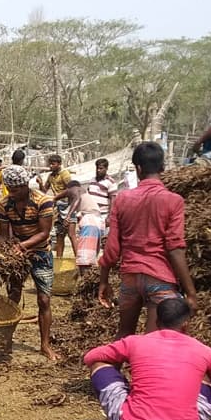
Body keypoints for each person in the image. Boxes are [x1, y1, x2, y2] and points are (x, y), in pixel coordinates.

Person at [84, 297, 211, 420]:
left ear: (157, 322)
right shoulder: (205, 352)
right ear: (186, 324)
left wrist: (128, 377)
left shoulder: (135, 342)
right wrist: (198, 397)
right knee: (206, 380)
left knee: (99, 365)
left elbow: (90, 357)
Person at [98, 142, 198, 339]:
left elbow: (112, 248)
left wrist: (103, 281)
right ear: (162, 167)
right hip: (159, 277)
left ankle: (109, 370)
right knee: (153, 343)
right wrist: (190, 292)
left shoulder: (122, 199)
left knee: (124, 334)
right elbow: (174, 248)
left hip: (130, 277)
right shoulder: (173, 201)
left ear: (138, 168)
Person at [0, 165, 59, 360]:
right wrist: (0, 253)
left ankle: (44, 345)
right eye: (9, 190)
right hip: (18, 255)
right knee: (13, 296)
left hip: (41, 254)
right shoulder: (3, 205)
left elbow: (44, 233)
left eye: (15, 190)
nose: (12, 194)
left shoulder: (44, 201)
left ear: (25, 186)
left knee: (44, 300)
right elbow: (5, 235)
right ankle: (6, 340)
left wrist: (22, 247)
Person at [37, 154, 75, 258]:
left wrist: (57, 198)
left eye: (53, 164)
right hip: (57, 207)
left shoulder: (64, 174)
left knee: (71, 235)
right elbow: (45, 190)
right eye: (50, 164)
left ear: (59, 164)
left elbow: (71, 189)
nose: (50, 166)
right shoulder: (50, 176)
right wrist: (40, 184)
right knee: (59, 235)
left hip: (66, 205)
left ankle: (78, 260)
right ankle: (59, 259)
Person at [64, 180, 105, 273]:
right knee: (91, 260)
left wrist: (68, 216)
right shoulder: (88, 200)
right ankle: (90, 282)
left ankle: (86, 283)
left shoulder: (76, 190)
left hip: (90, 223)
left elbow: (77, 198)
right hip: (98, 223)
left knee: (85, 262)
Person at [86, 158, 117, 243]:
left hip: (103, 216)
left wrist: (109, 216)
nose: (98, 170)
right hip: (91, 215)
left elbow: (113, 200)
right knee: (92, 241)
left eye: (101, 168)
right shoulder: (92, 180)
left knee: (104, 241)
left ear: (106, 169)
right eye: (97, 168)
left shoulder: (110, 182)